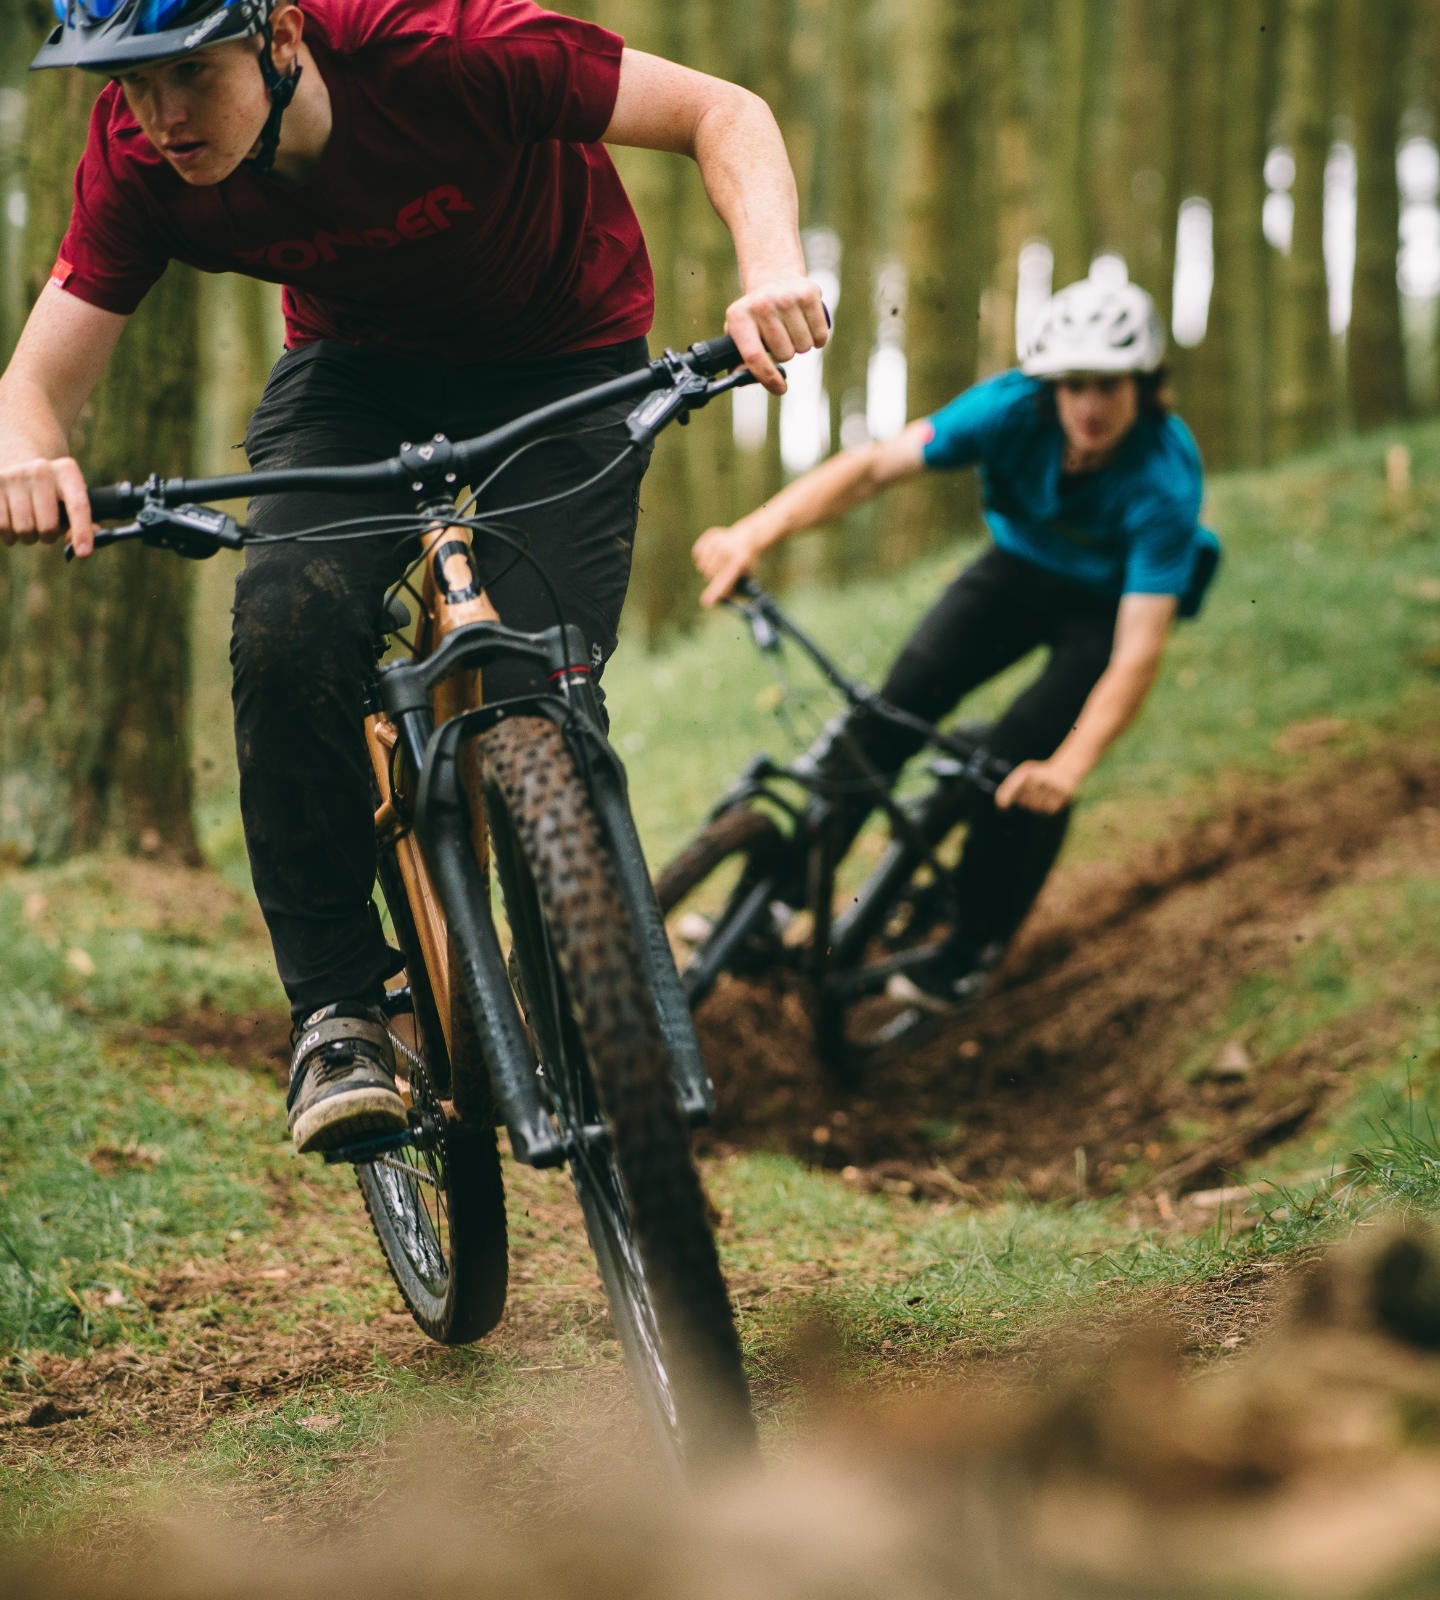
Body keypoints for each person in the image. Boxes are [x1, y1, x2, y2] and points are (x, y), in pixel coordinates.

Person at [0, 0, 828, 1152]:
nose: (160, 114)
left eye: (188, 71)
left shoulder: (446, 49)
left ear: (281, 38)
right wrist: (25, 458)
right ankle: (343, 1012)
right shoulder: (137, 158)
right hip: (355, 381)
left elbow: (720, 111)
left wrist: (771, 270)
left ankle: (582, 950)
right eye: (132, 83)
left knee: (547, 682)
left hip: (564, 353)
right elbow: (34, 387)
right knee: (287, 634)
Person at [692, 277, 1219, 1012]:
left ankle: (972, 947)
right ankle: (777, 905)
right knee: (888, 713)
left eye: (1108, 385)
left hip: (1103, 608)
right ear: (1048, 387)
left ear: (1145, 384)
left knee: (1018, 769)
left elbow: (1137, 650)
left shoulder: (1164, 476)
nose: (1090, 406)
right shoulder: (1008, 409)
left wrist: (1068, 768)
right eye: (1073, 386)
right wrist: (755, 532)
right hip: (1014, 572)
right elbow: (874, 468)